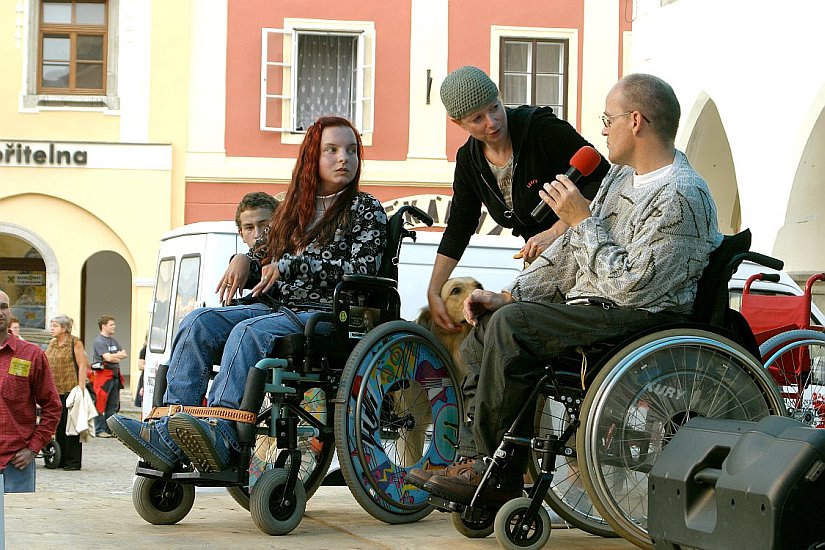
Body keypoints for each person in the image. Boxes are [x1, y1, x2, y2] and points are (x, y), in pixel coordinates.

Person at [410, 74, 723, 508]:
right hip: (603, 305)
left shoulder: (681, 196)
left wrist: (581, 221)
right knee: (487, 326)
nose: (601, 130)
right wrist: (510, 295)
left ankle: (490, 466)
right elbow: (571, 256)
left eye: (607, 119)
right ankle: (475, 462)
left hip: (645, 317)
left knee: (512, 328)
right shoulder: (621, 181)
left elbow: (634, 288)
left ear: (635, 121)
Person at [108, 116, 388, 474]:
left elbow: (359, 270)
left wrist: (291, 266)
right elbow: (263, 258)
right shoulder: (293, 208)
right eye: (331, 150)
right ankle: (165, 432)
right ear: (311, 158)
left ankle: (222, 434)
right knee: (199, 321)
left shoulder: (365, 209)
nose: (343, 158)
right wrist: (243, 259)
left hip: (329, 313)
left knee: (248, 332)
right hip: (278, 308)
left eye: (351, 150)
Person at [427, 65, 610, 333]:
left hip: (588, 253)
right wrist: (434, 291)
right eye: (477, 118)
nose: (492, 122)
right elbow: (459, 226)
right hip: (543, 268)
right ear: (458, 123)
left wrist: (556, 230)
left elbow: (603, 178)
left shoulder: (540, 129)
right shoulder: (469, 160)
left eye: (495, 107)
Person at [0, 289, 61, 492]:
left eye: (3, 307)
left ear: (10, 312)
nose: (0, 313)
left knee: (19, 522)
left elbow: (52, 406)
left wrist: (33, 449)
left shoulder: (31, 355)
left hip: (16, 463)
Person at [217, 191, 280, 304]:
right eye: (249, 228)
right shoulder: (252, 261)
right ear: (241, 234)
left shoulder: (294, 252)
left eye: (264, 225)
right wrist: (240, 258)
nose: (257, 234)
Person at [44, 314, 89, 470]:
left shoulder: (75, 343)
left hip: (71, 390)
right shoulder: (52, 344)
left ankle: (73, 462)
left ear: (64, 328)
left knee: (72, 427)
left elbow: (82, 365)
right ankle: (60, 459)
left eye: (55, 326)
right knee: (59, 426)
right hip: (56, 391)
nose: (52, 328)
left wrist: (81, 389)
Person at [91, 315, 127, 437]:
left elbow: (124, 354)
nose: (114, 327)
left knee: (113, 404)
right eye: (111, 325)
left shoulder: (114, 341)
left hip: (114, 375)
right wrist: (116, 356)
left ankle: (110, 429)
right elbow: (108, 358)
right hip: (103, 377)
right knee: (100, 403)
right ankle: (100, 429)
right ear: (104, 326)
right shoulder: (99, 341)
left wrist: (114, 356)